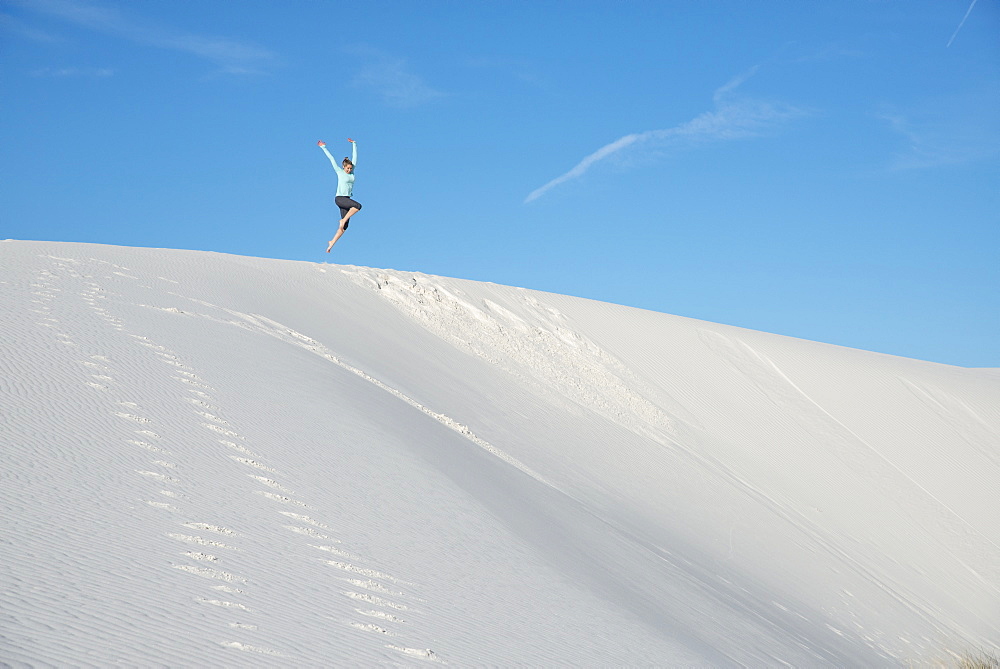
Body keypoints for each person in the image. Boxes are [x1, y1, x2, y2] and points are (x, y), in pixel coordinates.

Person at [317, 138, 362, 252]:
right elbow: (331, 158)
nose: (349, 170)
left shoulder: (352, 172)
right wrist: (323, 147)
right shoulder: (339, 171)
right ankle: (342, 220)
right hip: (340, 199)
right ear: (343, 167)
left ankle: (331, 243)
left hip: (346, 199)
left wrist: (354, 144)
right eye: (347, 168)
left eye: (351, 168)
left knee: (345, 227)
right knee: (358, 206)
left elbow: (355, 156)